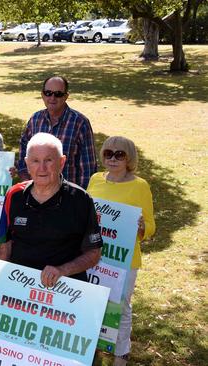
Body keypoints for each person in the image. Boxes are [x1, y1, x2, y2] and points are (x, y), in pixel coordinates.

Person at [0, 132, 102, 286]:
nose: (42, 168)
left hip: (65, 290)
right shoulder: (14, 195)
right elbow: (4, 246)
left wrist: (62, 270)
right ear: (26, 163)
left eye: (48, 160)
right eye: (35, 161)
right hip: (19, 290)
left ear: (62, 162)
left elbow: (94, 253)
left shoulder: (81, 200)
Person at [86, 136, 155, 366]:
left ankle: (120, 355)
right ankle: (91, 347)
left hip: (123, 260)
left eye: (120, 154)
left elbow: (151, 225)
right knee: (93, 301)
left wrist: (143, 228)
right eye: (108, 153)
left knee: (121, 306)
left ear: (129, 158)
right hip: (93, 256)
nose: (113, 158)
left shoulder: (140, 186)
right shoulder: (95, 180)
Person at [17, 75, 97, 189]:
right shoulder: (35, 119)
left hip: (67, 197)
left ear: (66, 96)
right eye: (48, 93)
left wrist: (79, 199)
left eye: (58, 94)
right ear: (42, 95)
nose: (52, 98)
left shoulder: (80, 123)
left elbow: (88, 168)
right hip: (36, 194)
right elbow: (23, 150)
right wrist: (26, 179)